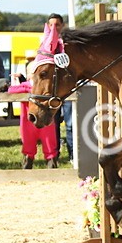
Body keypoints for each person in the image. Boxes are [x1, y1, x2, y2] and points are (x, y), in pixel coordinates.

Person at [46, 14, 73, 158]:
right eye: (51, 25)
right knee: (53, 124)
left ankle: (72, 155)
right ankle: (54, 155)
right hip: (52, 91)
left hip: (67, 90)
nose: (54, 28)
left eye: (57, 25)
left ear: (62, 26)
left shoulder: (68, 44)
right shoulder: (45, 45)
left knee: (70, 125)